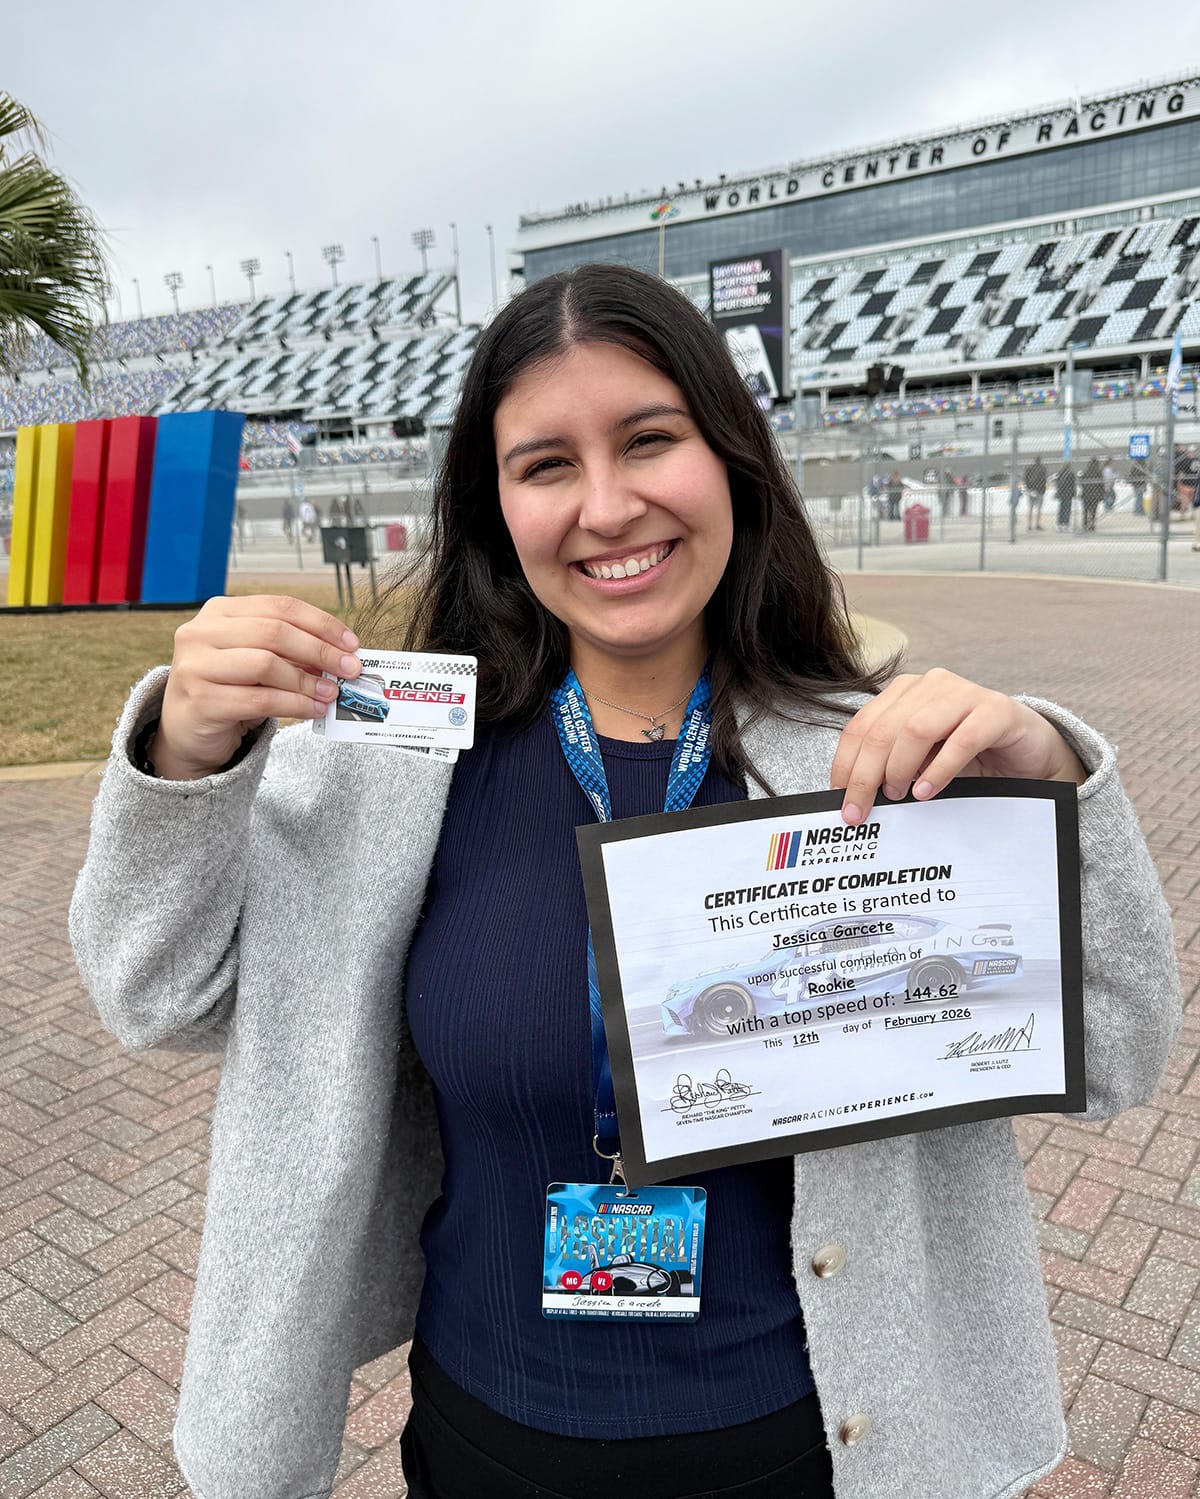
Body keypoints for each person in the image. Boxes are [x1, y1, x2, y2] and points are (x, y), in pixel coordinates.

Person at [69, 264, 1179, 1499]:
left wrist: (1053, 781)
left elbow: (1123, 1047)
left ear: (732, 460)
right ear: (496, 506)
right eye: (545, 464)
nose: (606, 506)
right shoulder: (394, 759)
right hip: (486, 1441)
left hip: (813, 1451)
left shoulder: (876, 759)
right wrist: (183, 752)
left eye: (650, 440)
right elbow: (153, 991)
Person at [1023, 455, 1047, 531]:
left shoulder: (1029, 468)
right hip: (1040, 491)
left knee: (1030, 508)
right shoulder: (1043, 468)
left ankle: (1029, 525)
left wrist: (1029, 488)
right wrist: (1043, 490)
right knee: (1039, 509)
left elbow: (1025, 479)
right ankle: (1037, 524)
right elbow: (1044, 480)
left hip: (1031, 491)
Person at [1080, 457, 1104, 532]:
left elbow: (1082, 483)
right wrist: (1102, 493)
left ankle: (1085, 524)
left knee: (1085, 510)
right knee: (1093, 510)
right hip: (1095, 495)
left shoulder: (1086, 472)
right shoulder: (1098, 472)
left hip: (1086, 494)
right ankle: (1092, 524)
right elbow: (1101, 484)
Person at [1054, 462, 1076, 531]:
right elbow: (1072, 484)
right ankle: (1066, 524)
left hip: (1062, 493)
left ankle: (1060, 524)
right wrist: (1073, 493)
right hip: (1068, 493)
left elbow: (1057, 483)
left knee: (1061, 508)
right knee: (1067, 509)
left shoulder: (1060, 473)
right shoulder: (1071, 474)